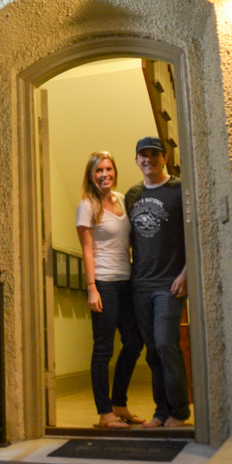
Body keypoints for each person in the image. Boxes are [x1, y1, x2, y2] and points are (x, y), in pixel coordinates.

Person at [76, 151, 145, 429]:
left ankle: (119, 404)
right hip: (103, 282)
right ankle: (105, 413)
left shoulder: (120, 200)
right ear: (91, 176)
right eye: (98, 171)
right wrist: (92, 288)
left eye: (108, 169)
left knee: (133, 342)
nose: (105, 175)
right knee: (103, 349)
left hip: (126, 281)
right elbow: (87, 249)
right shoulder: (87, 205)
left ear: (115, 171)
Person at [125, 136, 190, 429]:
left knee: (166, 343)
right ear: (137, 161)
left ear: (164, 158)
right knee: (152, 350)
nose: (148, 159)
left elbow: (194, 233)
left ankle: (179, 411)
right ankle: (161, 412)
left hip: (170, 283)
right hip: (140, 284)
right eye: (143, 155)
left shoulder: (179, 190)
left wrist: (186, 273)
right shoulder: (132, 194)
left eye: (154, 154)